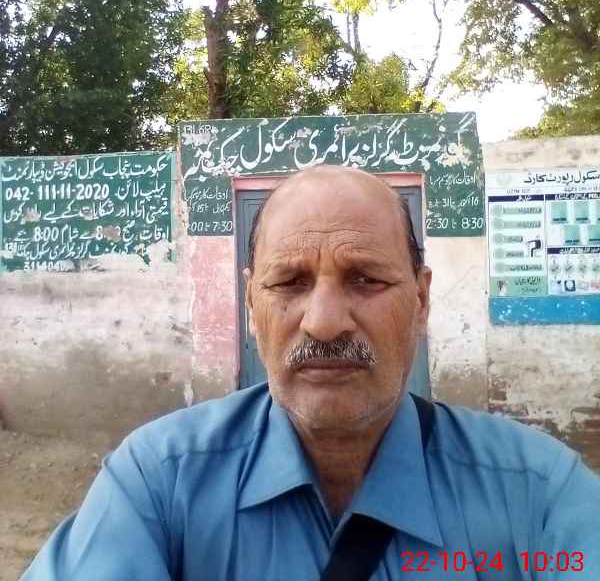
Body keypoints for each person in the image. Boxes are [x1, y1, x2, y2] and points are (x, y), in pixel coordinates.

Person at [21, 166, 600, 580]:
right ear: (252, 304)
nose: (323, 323)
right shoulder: (158, 483)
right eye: (289, 282)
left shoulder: (539, 494)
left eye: (366, 279)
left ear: (421, 301)